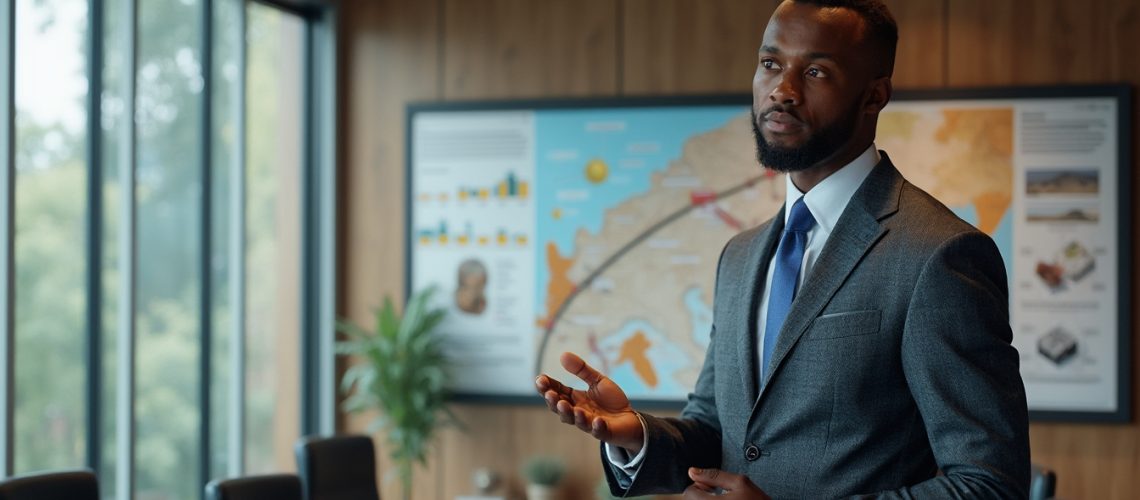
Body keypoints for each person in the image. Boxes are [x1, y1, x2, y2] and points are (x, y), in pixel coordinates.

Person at [534, 0, 1031, 498]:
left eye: (815, 71)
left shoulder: (939, 255)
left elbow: (989, 484)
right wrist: (635, 435)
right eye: (771, 64)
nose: (783, 90)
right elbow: (720, 433)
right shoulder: (740, 256)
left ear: (874, 96)